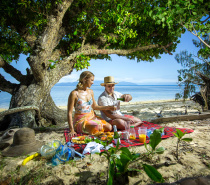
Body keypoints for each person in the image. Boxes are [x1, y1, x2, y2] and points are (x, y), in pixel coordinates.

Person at [67, 71, 116, 137]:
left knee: (109, 127)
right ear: (85, 79)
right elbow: (69, 113)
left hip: (92, 117)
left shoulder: (91, 92)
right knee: (95, 126)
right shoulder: (74, 94)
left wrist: (108, 107)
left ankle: (96, 132)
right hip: (81, 120)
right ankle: (95, 132)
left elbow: (95, 107)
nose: (93, 82)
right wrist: (71, 129)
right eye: (91, 80)